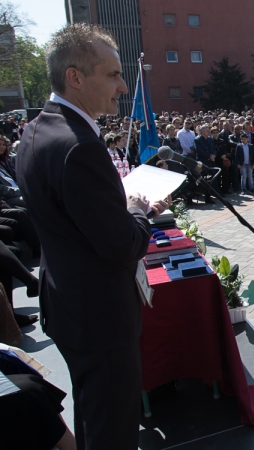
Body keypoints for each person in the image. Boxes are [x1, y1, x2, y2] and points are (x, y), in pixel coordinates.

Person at [15, 24, 167, 449]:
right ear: (75, 77)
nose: (121, 86)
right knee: (112, 430)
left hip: (68, 304)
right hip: (99, 317)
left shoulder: (37, 130)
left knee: (94, 416)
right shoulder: (79, 145)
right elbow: (123, 246)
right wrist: (137, 209)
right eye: (112, 74)